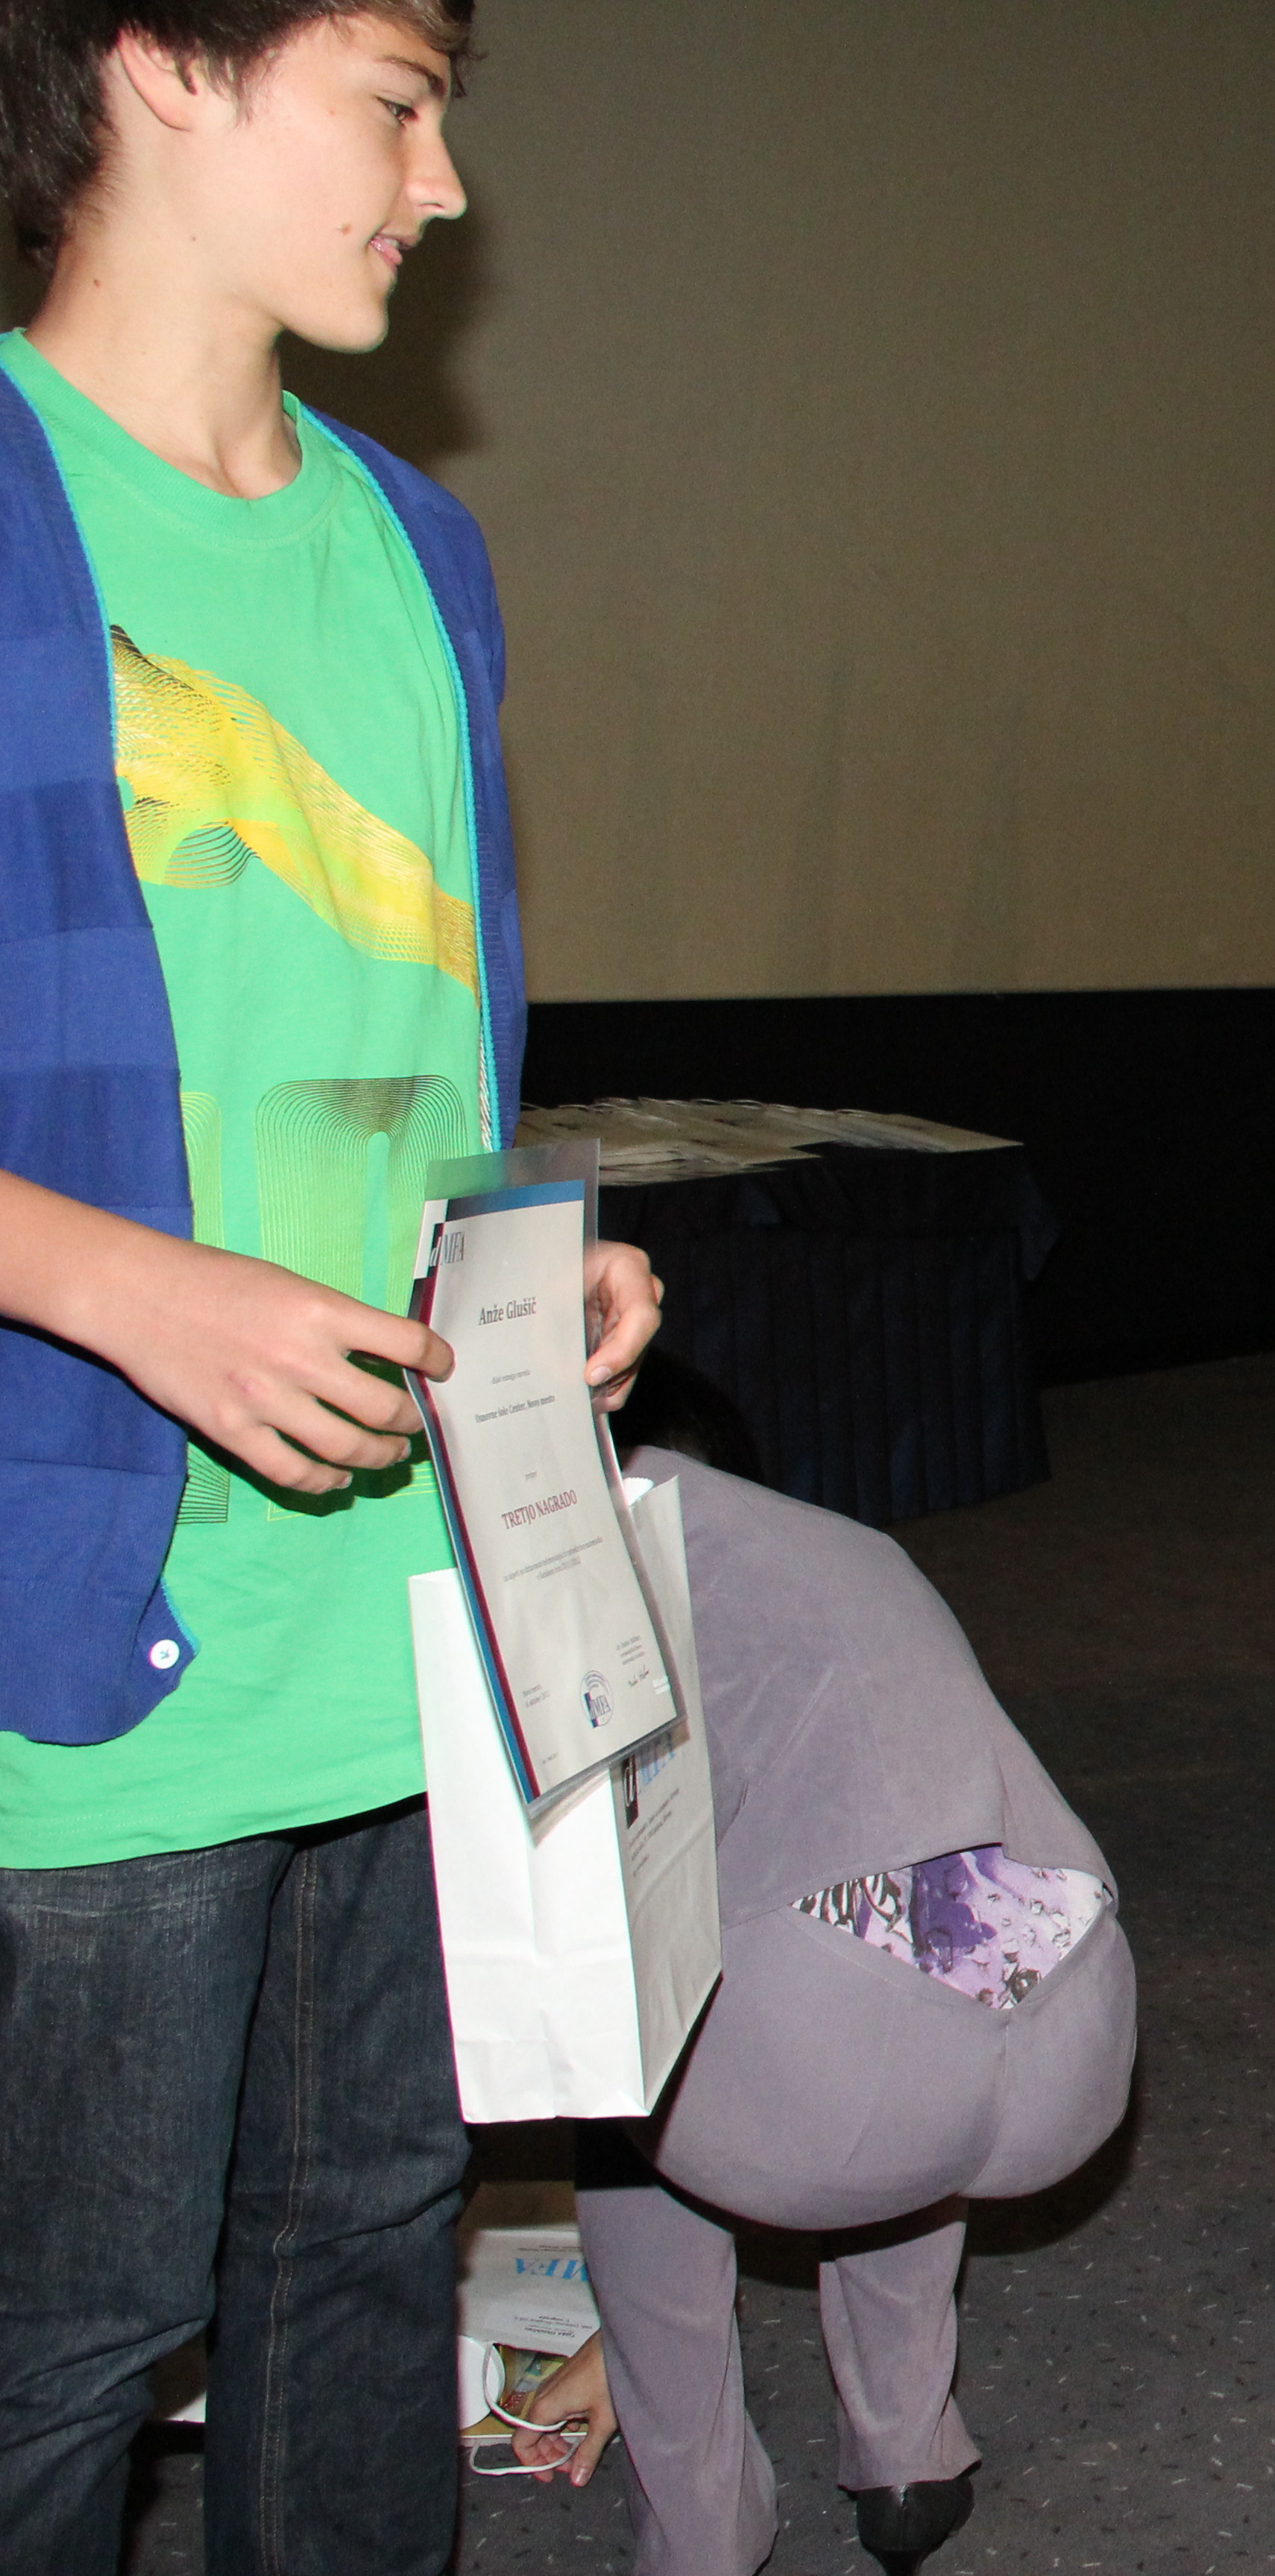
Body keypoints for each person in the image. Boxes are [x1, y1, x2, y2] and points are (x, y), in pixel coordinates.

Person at [0, 9, 663, 2567]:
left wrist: (527, 1266)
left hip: (413, 1598)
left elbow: (405, 1030)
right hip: (94, 1613)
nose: (446, 177)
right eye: (395, 93)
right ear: (162, 64)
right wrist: (118, 1289)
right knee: (65, 2334)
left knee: (370, 2251)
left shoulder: (415, 539)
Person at [517, 1440, 1136, 2576]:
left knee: (627, 2061)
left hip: (851, 2079)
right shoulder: (855, 1553)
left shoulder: (595, 1566)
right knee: (903, 1963)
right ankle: (909, 2454)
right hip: (1081, 2014)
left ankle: (700, 2525)